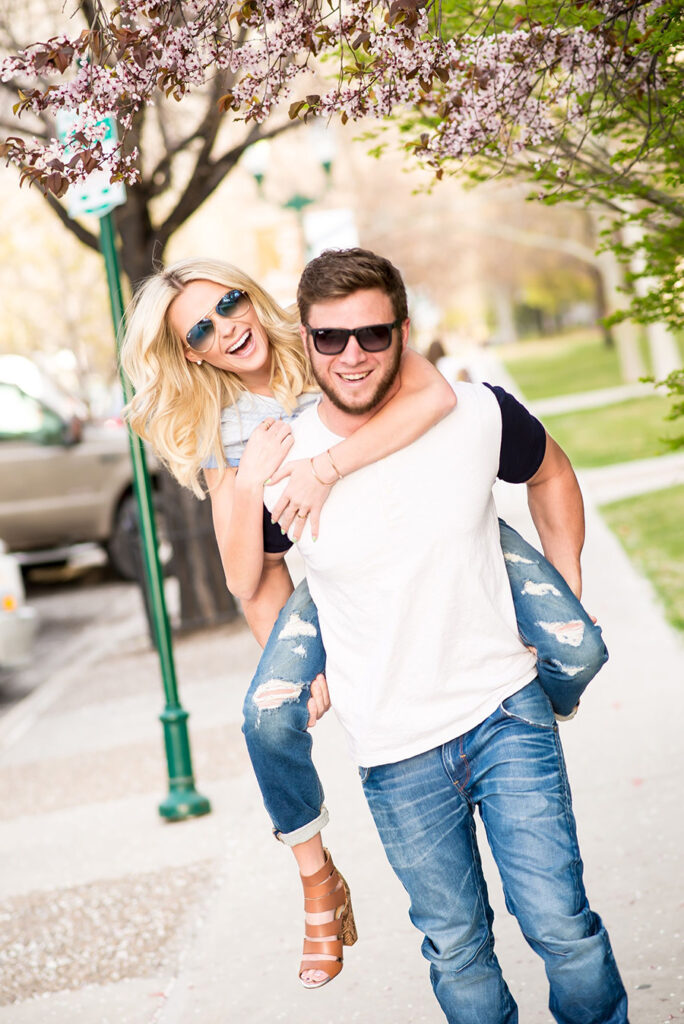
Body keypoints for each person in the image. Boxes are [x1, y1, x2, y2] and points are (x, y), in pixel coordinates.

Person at [121, 257, 607, 997]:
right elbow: (245, 577)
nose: (227, 325)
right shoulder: (227, 428)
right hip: (334, 582)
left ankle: (543, 699)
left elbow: (435, 398)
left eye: (230, 302)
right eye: (203, 327)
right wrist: (252, 483)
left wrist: (328, 467)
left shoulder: (335, 344)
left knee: (580, 641)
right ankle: (317, 881)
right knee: (265, 715)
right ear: (191, 352)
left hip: (438, 525)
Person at [257, 247, 627, 1023]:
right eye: (330, 338)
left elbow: (552, 473)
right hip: (392, 750)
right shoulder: (281, 460)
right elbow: (258, 576)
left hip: (505, 712)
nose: (352, 355)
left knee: (564, 929)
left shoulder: (476, 413)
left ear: (403, 330)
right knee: (457, 949)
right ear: (305, 337)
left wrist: (566, 587)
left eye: (372, 335)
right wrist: (304, 658)